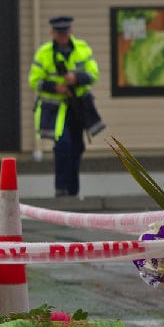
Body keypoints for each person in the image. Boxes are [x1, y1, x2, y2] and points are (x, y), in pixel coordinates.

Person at [29, 15, 100, 198]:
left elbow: (93, 75)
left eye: (65, 32)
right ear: (52, 33)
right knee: (62, 145)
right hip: (56, 109)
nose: (63, 36)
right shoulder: (44, 53)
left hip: (77, 106)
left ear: (70, 32)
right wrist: (56, 87)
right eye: (59, 33)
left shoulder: (82, 49)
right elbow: (34, 81)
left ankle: (73, 189)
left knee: (77, 147)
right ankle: (61, 188)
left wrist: (76, 79)